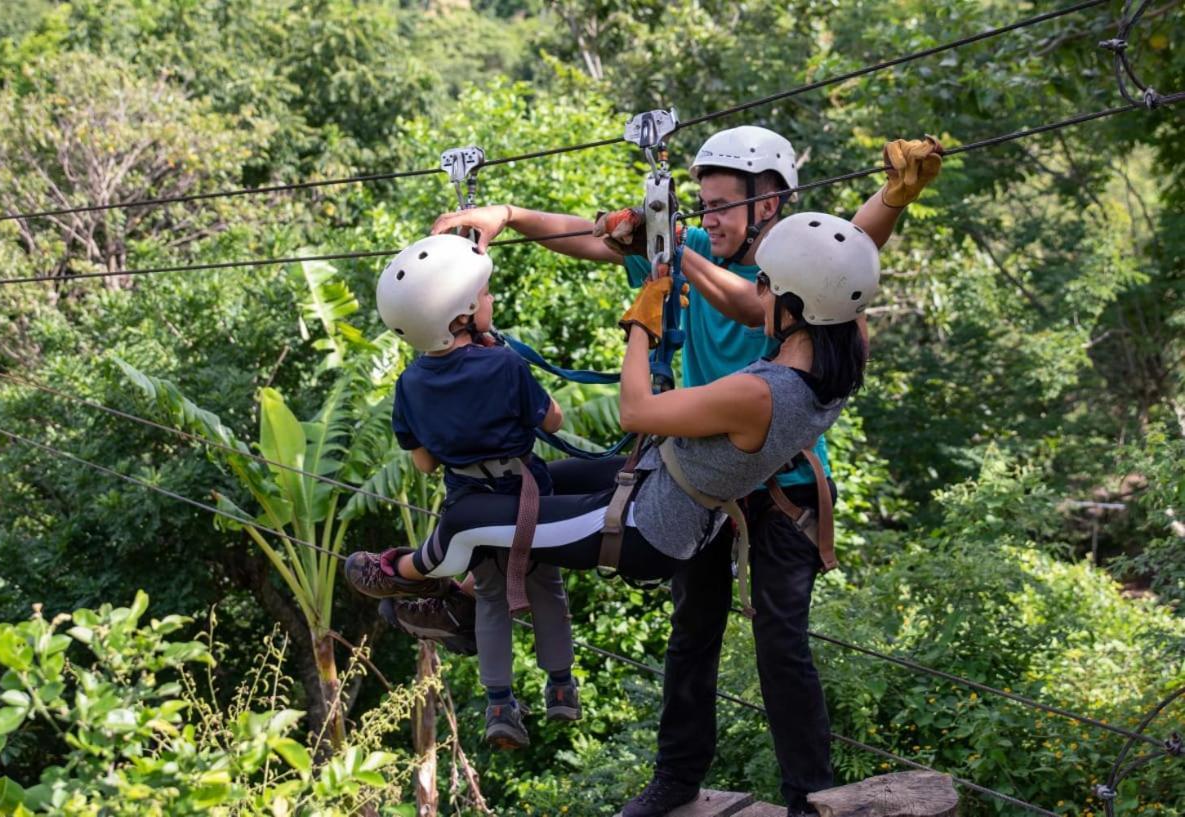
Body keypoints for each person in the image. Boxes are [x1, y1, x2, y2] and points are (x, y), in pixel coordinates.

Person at [418, 128, 943, 815]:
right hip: (696, 484)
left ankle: (808, 794)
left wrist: (894, 200)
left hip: (780, 486)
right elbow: (587, 237)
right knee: (690, 629)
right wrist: (511, 216)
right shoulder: (691, 250)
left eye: (722, 205)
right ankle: (676, 779)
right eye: (700, 206)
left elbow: (843, 249)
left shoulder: (792, 277)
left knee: (780, 643)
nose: (708, 219)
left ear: (771, 205)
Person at [344, 215, 880, 779]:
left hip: (649, 525)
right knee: (542, 478)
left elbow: (636, 411)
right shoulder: (840, 357)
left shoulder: (760, 393)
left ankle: (410, 571)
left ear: (797, 307)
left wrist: (641, 326)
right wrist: (894, 198)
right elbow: (844, 270)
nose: (758, 295)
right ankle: (467, 591)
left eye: (767, 286)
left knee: (472, 516)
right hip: (659, 476)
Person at [364, 232, 582, 750]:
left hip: (470, 507)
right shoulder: (505, 363)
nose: (490, 301)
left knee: (489, 596)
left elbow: (423, 462)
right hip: (527, 498)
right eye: (483, 296)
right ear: (460, 313)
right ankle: (560, 689)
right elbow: (553, 418)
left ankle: (501, 703)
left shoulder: (409, 384)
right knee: (544, 586)